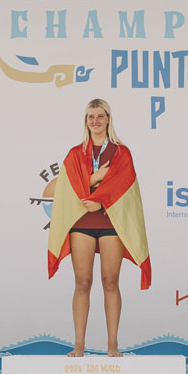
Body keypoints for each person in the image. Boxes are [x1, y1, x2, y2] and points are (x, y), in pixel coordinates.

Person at [47, 99, 151, 357]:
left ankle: (112, 344)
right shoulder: (75, 153)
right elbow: (67, 188)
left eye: (100, 116)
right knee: (82, 282)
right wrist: (96, 177)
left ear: (108, 119)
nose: (95, 121)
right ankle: (79, 345)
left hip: (110, 223)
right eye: (91, 116)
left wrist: (100, 201)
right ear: (86, 121)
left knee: (110, 281)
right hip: (81, 223)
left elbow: (124, 187)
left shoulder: (121, 153)